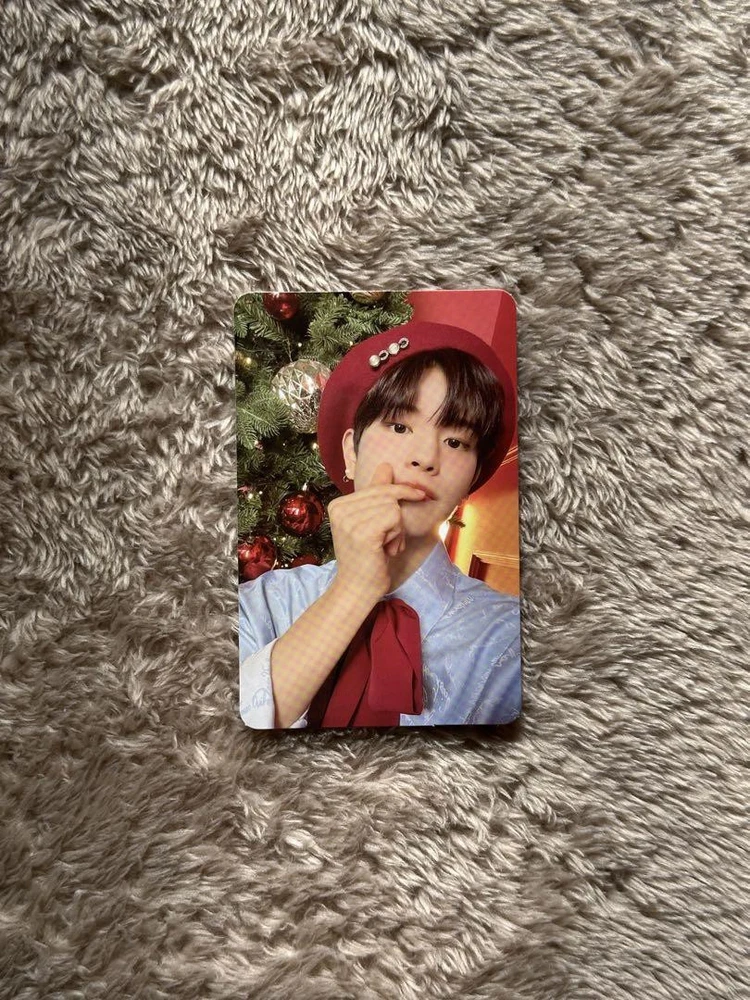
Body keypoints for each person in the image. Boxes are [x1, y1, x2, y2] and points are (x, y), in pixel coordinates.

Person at [238, 319, 521, 729]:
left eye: (455, 442)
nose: (426, 457)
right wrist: (353, 590)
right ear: (351, 454)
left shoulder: (509, 639)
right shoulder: (260, 603)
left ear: (470, 482)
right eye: (400, 426)